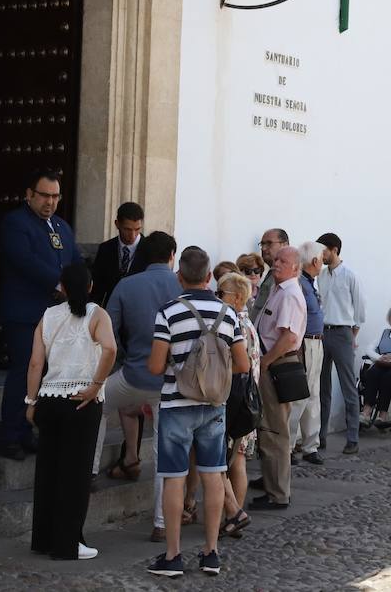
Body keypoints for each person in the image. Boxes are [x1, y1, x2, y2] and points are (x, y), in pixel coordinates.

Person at [145, 247, 250, 578]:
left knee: (174, 479)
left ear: (179, 276)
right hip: (213, 406)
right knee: (213, 476)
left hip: (176, 404)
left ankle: (173, 555)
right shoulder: (228, 314)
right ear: (208, 277)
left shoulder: (168, 312)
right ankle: (211, 553)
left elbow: (156, 366)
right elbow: (243, 364)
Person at [26, 262, 116, 561]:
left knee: (48, 471)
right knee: (75, 475)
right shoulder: (97, 314)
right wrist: (96, 384)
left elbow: (36, 363)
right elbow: (110, 349)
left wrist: (30, 401)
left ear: (62, 287)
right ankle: (67, 544)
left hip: (49, 399)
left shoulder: (48, 316)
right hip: (82, 401)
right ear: (90, 286)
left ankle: (44, 539)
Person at [94, 230, 178, 541]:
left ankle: (89, 470)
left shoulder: (126, 285)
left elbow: (109, 331)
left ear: (142, 255)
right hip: (169, 381)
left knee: (97, 403)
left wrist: (121, 359)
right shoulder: (181, 286)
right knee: (164, 452)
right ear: (172, 256)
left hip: (133, 374)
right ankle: (161, 522)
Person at [0, 168, 84, 461]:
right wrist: (59, 283)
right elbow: (24, 260)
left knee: (44, 375)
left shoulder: (61, 226)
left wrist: (82, 282)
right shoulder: (16, 223)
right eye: (45, 195)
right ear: (29, 194)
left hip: (55, 316)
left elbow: (74, 260)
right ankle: (9, 436)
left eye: (55, 196)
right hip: (24, 313)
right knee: (24, 372)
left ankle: (26, 431)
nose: (50, 202)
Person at [250, 246, 306, 510]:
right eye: (276, 260)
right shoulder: (278, 289)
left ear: (296, 267)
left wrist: (265, 362)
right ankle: (271, 483)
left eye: (283, 261)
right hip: (272, 363)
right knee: (269, 427)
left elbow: (289, 338)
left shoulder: (290, 294)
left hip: (276, 365)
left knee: (274, 430)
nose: (276, 264)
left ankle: (278, 493)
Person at [214, 272, 257, 540]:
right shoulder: (247, 323)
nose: (217, 298)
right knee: (235, 459)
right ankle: (233, 514)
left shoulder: (233, 323)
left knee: (230, 460)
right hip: (245, 402)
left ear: (238, 298)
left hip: (234, 401)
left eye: (221, 294)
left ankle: (232, 514)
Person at [316, 233, 366, 455]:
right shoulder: (321, 276)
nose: (320, 255)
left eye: (323, 250)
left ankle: (352, 438)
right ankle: (320, 437)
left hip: (343, 332)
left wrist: (352, 335)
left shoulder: (350, 275)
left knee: (348, 386)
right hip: (322, 333)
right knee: (322, 387)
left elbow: (360, 310)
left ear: (334, 249)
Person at [289, 241, 326, 463]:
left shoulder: (309, 283)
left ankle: (310, 445)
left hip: (315, 343)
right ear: (314, 261)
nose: (322, 263)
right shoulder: (301, 284)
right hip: (305, 343)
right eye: (321, 259)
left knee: (313, 394)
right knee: (300, 396)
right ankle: (290, 445)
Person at [90, 202, 146, 308]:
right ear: (117, 224)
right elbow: (97, 287)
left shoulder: (149, 250)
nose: (133, 235)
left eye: (137, 229)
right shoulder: (105, 249)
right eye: (127, 229)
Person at [253, 228, 289, 317]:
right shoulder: (271, 273)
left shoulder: (287, 276)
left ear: (284, 245)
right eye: (262, 244)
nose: (264, 248)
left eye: (269, 243)